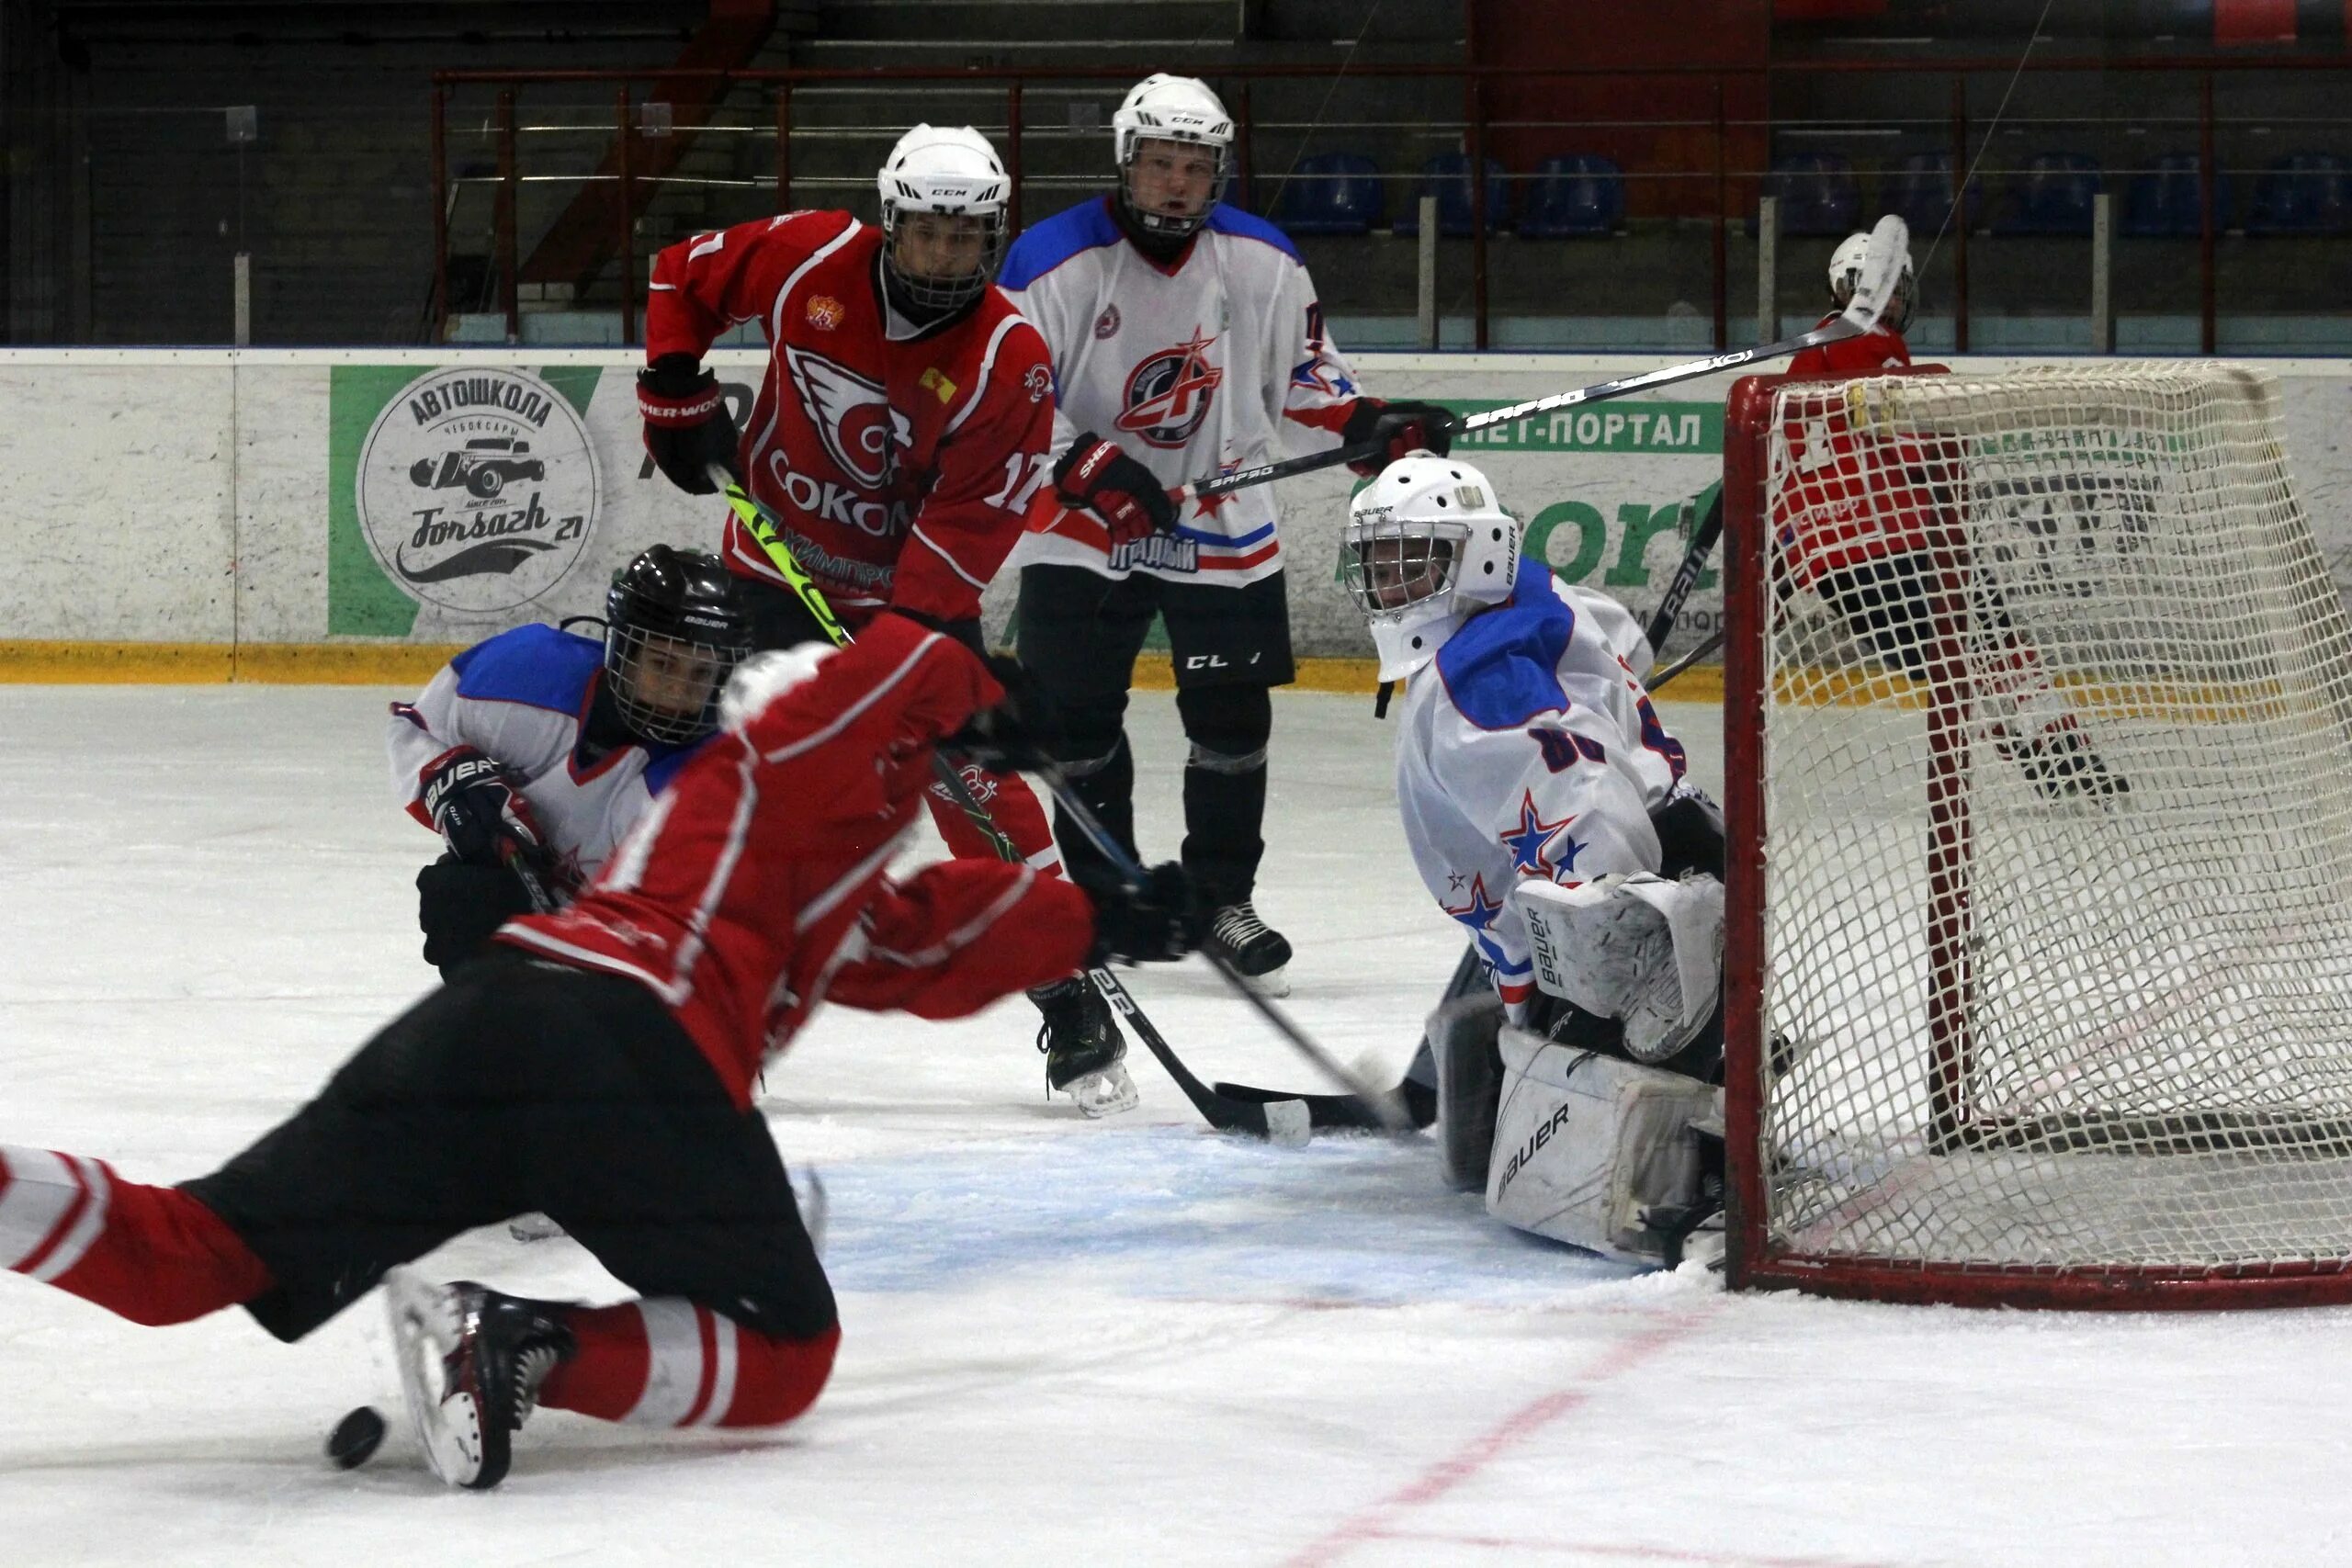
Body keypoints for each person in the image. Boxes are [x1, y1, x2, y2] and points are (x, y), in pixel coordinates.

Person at [0, 614, 1200, 1491]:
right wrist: (973, 679)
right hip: (637, 1050)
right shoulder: (778, 760)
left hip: (493, 1026)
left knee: (193, 1259)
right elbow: (884, 680)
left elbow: (910, 942)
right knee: (785, 1347)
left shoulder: (772, 863)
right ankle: (530, 1342)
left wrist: (1100, 918)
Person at [633, 121, 1148, 1115]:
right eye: (929, 234)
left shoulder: (1010, 359)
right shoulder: (810, 255)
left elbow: (964, 534)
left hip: (909, 602)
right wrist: (672, 389)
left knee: (975, 790)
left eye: (968, 238)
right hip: (768, 574)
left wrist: (893, 657)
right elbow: (678, 277)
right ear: (890, 222)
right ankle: (728, 1011)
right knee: (748, 799)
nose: (947, 256)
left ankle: (1065, 983)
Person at [995, 73, 1456, 998]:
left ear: (1219, 175)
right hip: (1080, 527)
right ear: (1126, 164)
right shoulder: (1047, 262)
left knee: (1232, 725)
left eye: (1194, 169)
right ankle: (1108, 897)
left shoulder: (1263, 259)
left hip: (1220, 521)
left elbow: (1305, 379)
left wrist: (1366, 423)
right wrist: (1081, 465)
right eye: (1160, 164)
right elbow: (1004, 399)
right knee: (1075, 726)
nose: (1176, 184)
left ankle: (1218, 897)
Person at [1341, 454, 1727, 1263]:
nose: (1391, 581)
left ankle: (1704, 1135)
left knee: (1522, 1173)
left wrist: (1603, 976)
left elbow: (1590, 810)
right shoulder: (1539, 596)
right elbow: (1623, 642)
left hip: (1645, 928)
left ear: (1478, 552)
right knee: (1480, 1110)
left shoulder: (1470, 687)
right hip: (1693, 857)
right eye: (1380, 560)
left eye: (1414, 557)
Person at [1780, 232, 2125, 799]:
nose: (1890, 302)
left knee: (1952, 675)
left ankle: (2034, 762)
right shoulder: (1873, 343)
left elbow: (1789, 474)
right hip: (1901, 542)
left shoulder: (1799, 364)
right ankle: (2064, 750)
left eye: (1896, 290)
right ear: (1850, 290)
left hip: (1835, 570)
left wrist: (1793, 557)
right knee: (1997, 640)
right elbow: (1910, 445)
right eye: (1880, 289)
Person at [389, 545, 752, 979]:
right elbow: (417, 728)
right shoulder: (527, 675)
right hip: (536, 914)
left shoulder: (707, 782)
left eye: (700, 673)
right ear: (622, 650)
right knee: (463, 895)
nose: (678, 692)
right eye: (662, 663)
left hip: (629, 963)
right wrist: (450, 782)